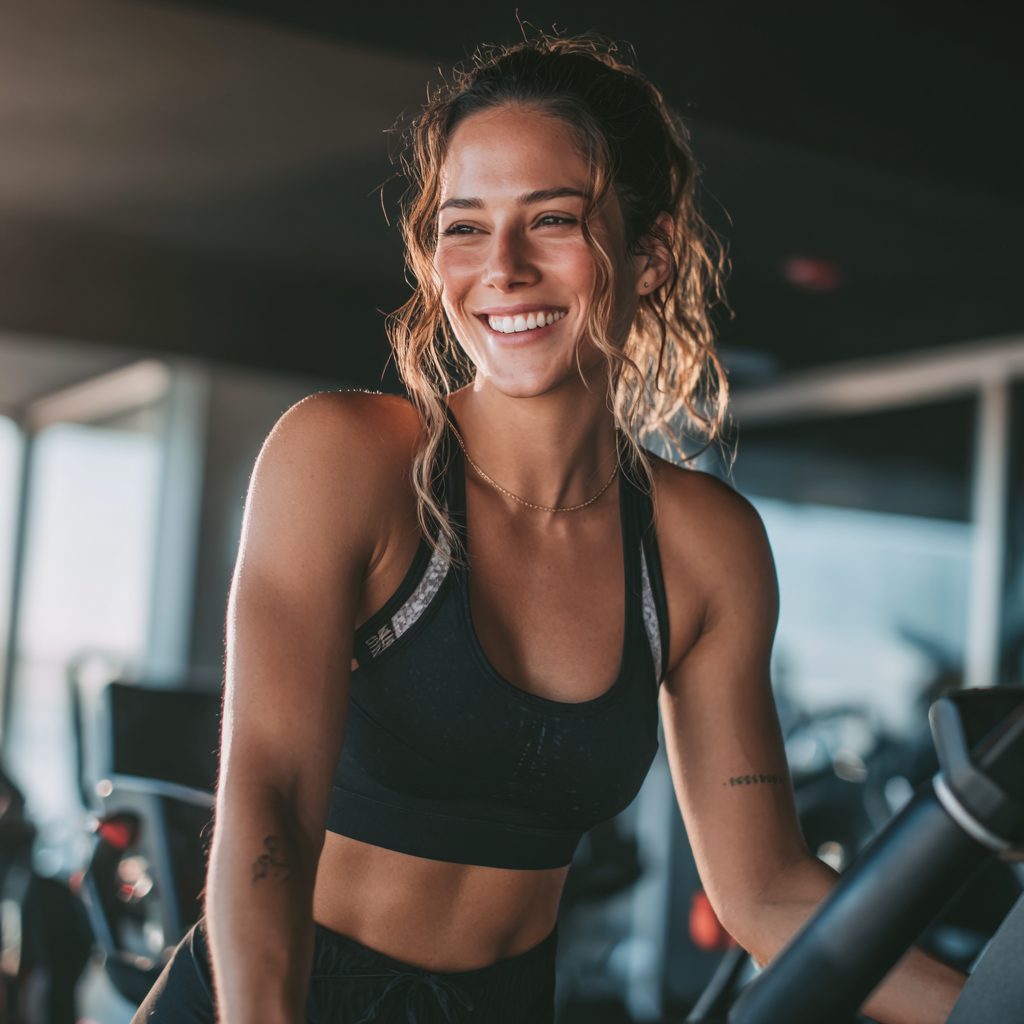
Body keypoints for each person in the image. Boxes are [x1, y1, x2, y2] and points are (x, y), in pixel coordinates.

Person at [134, 34, 966, 1024]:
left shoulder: (705, 548)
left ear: (647, 252)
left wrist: (991, 1006)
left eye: (553, 220)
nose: (504, 270)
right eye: (465, 227)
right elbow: (265, 795)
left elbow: (768, 891)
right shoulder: (347, 459)